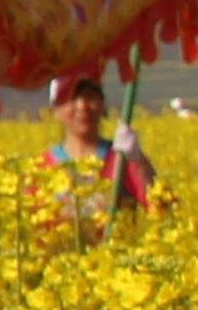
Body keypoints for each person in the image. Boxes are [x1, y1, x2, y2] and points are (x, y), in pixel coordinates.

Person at [32, 74, 156, 239]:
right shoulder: (40, 167)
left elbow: (161, 209)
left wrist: (138, 160)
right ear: (55, 110)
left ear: (103, 105)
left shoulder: (122, 159)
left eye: (90, 97)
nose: (82, 106)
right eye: (72, 98)